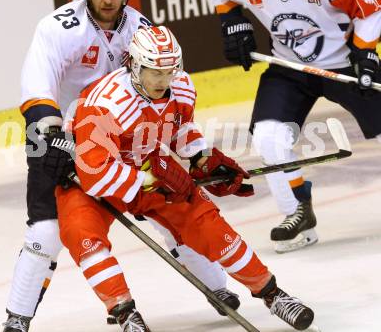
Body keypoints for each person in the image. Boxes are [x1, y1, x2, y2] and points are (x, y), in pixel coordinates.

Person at [3, 0, 238, 332]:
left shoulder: (140, 28)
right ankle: (17, 318)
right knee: (46, 230)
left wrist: (196, 152)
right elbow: (37, 84)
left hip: (124, 140)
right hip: (59, 135)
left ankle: (218, 288)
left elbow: (169, 91)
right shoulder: (58, 27)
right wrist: (53, 140)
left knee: (170, 206)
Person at [48, 25, 315, 331]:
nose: (164, 81)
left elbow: (178, 129)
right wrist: (153, 179)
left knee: (206, 220)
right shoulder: (107, 102)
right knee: (83, 236)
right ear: (135, 65)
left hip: (143, 163)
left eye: (169, 71)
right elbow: (95, 172)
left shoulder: (182, 87)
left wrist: (203, 158)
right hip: (84, 178)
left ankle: (273, 294)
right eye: (155, 73)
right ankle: (124, 312)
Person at [210, 0, 381, 253]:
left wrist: (366, 52)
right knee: (268, 138)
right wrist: (231, 24)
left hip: (342, 63)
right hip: (289, 66)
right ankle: (297, 212)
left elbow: (370, 9)